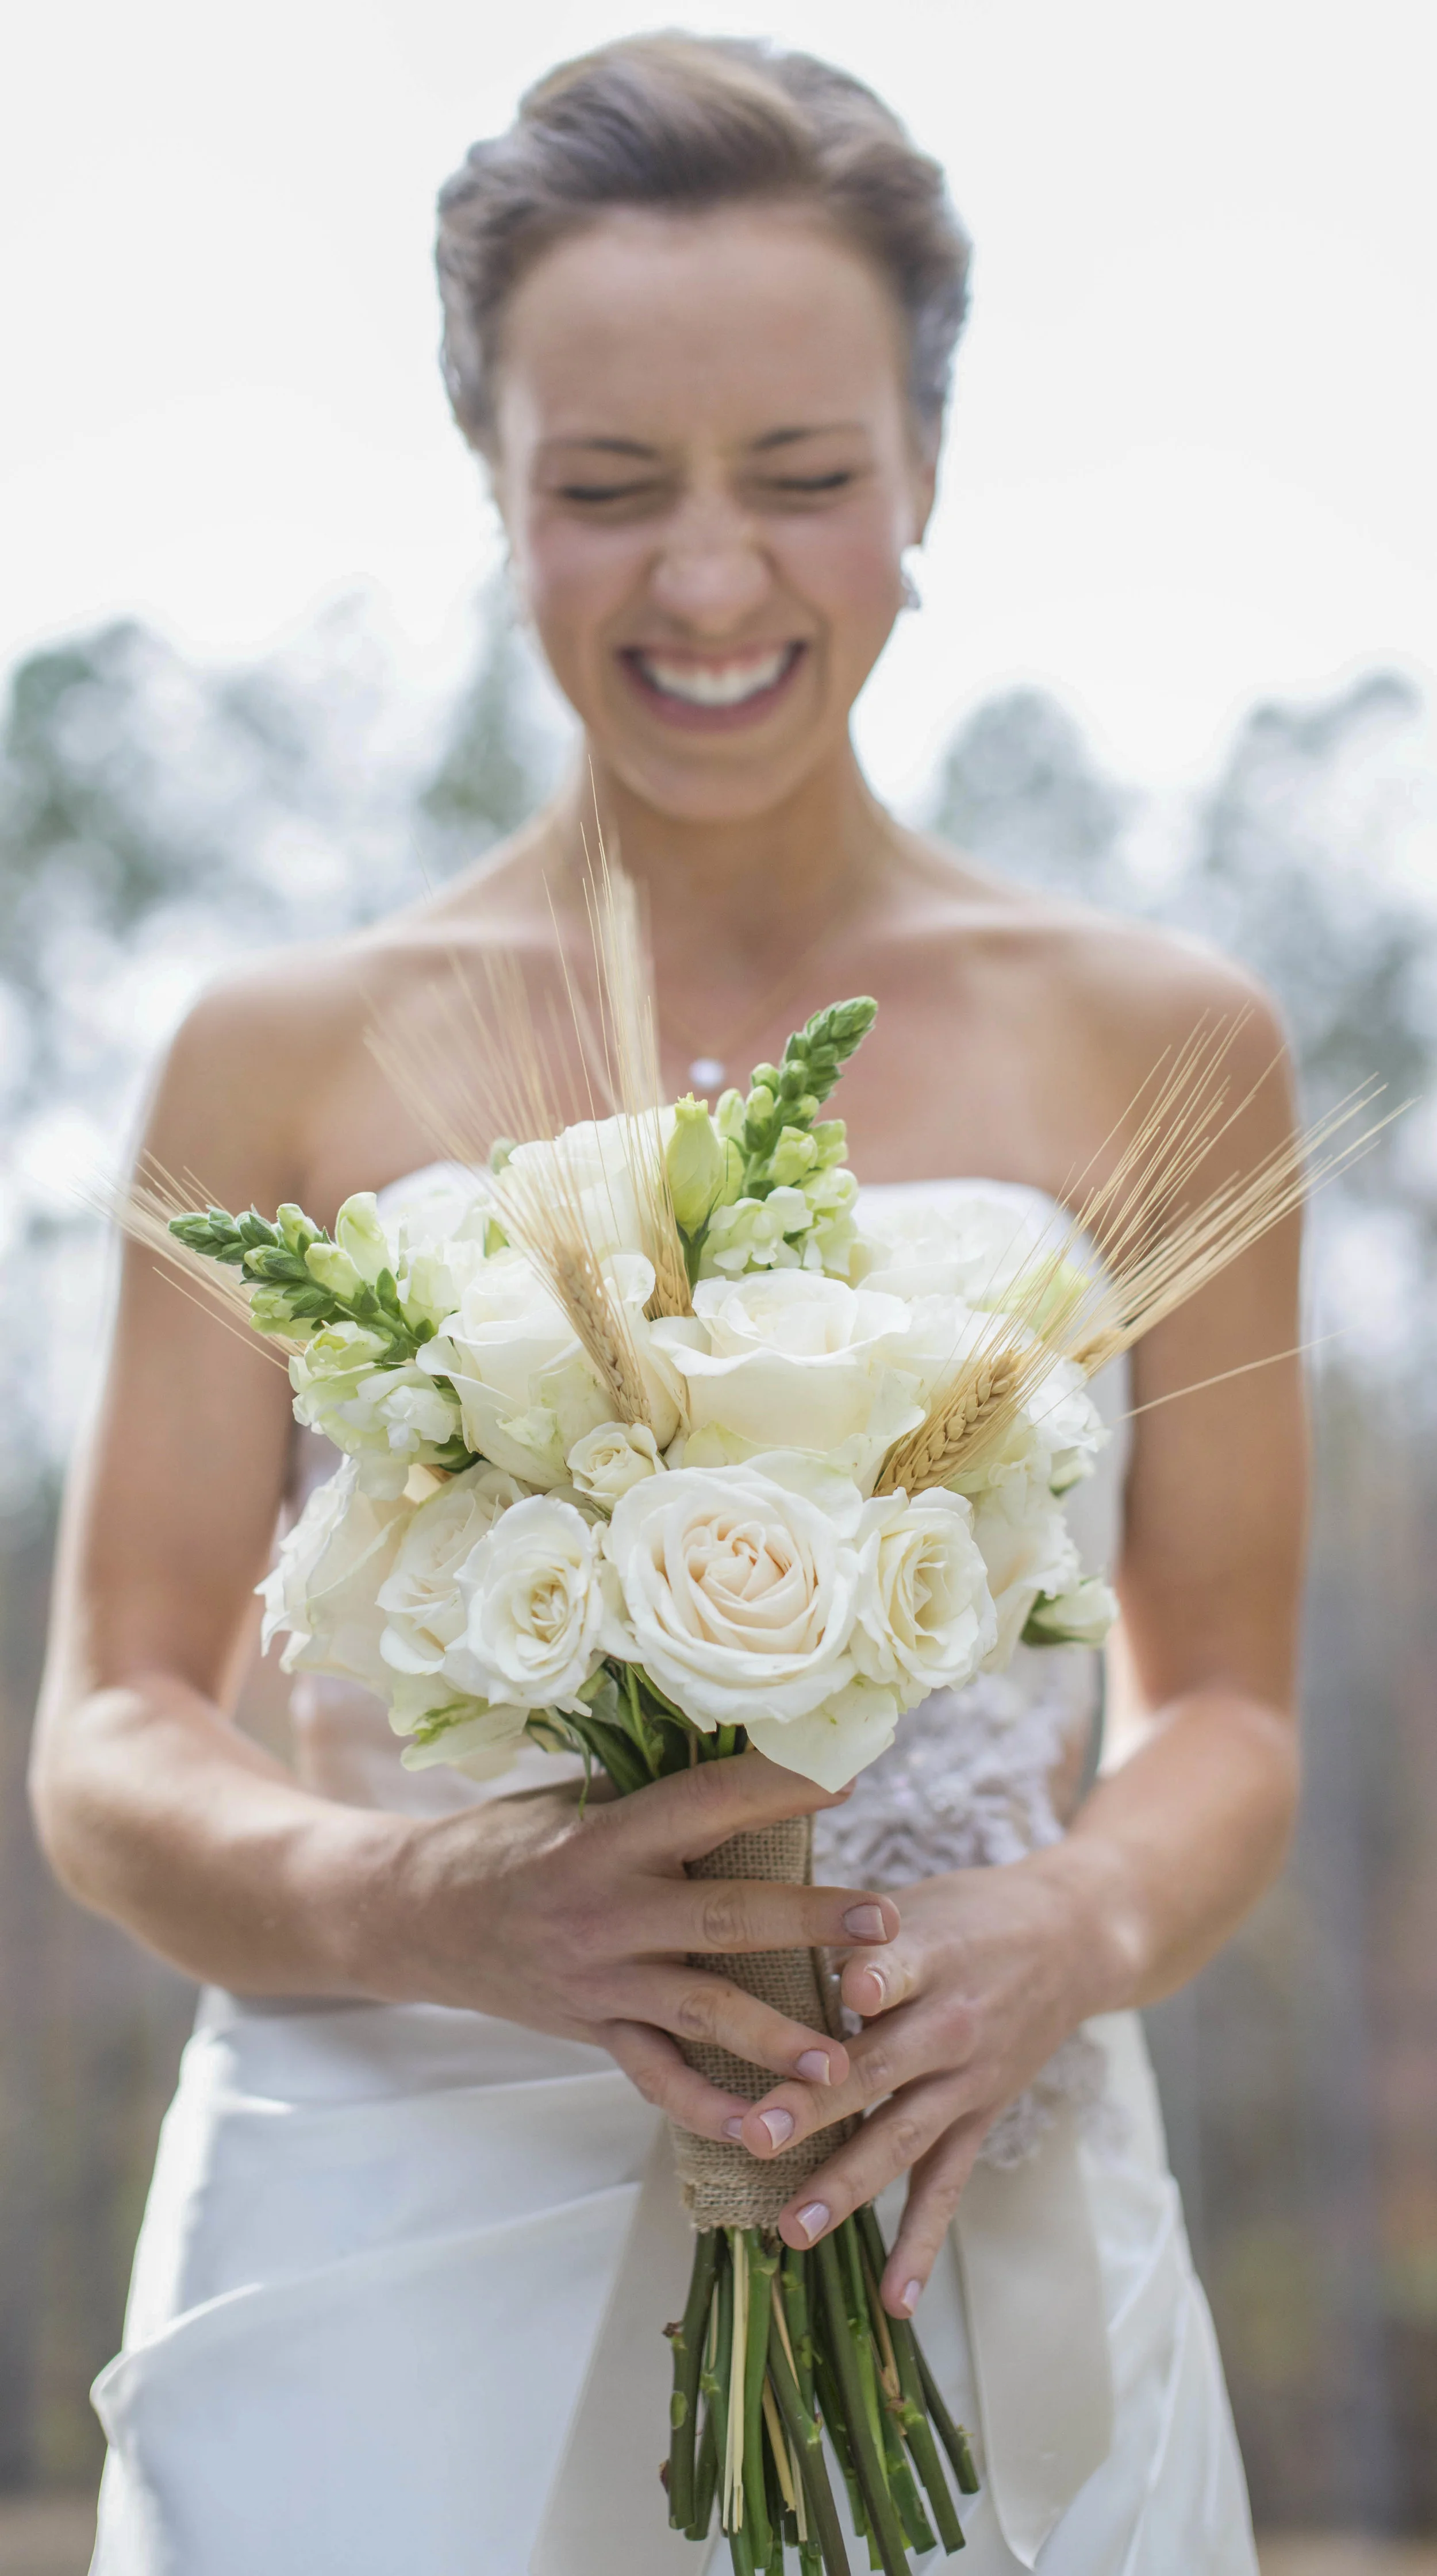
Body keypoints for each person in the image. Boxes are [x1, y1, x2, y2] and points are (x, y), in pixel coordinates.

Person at [31, 34, 1303, 2576]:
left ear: (923, 477)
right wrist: (429, 1903)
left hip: (965, 2187)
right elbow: (108, 1726)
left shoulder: (1168, 1046)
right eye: (606, 490)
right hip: (383, 2220)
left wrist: (1068, 1921)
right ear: (496, 490)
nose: (708, 581)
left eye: (802, 478)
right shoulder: (274, 1055)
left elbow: (1231, 1708)